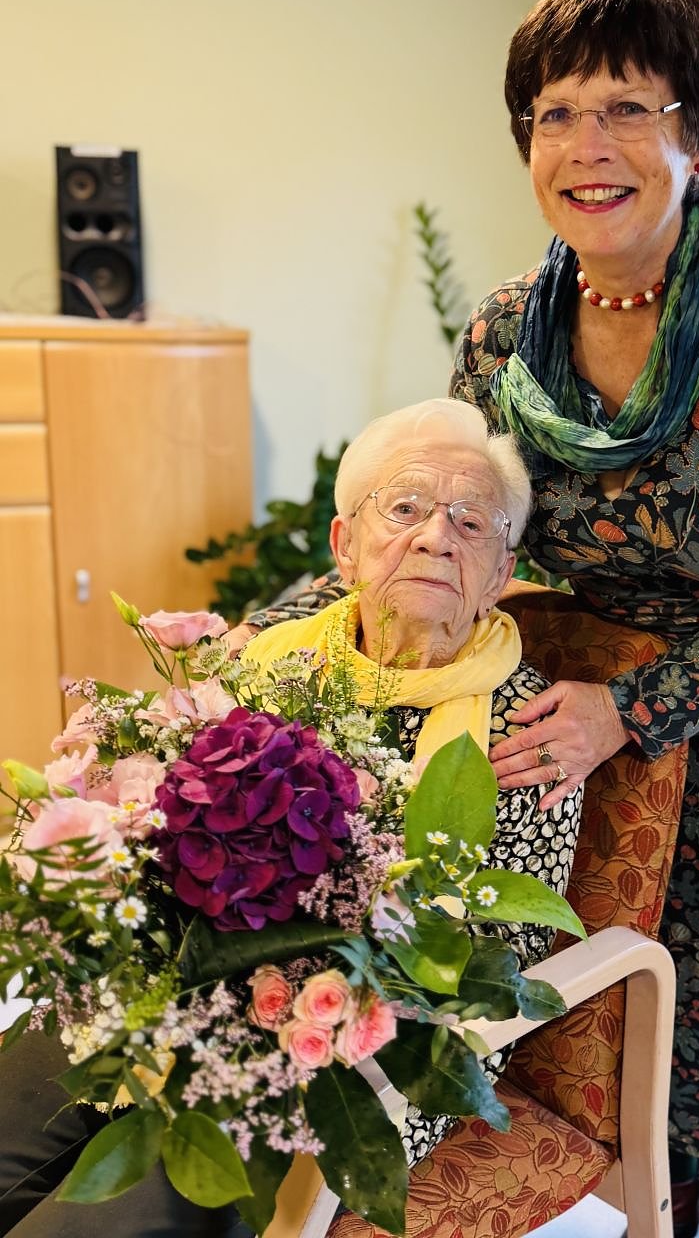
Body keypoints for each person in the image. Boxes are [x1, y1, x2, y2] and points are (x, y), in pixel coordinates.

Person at [242, 0, 699, 1238]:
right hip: (605, 670)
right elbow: (456, 522)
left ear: (697, 133)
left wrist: (634, 706)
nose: (585, 145)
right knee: (640, 977)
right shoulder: (507, 328)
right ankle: (666, 1168)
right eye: (553, 113)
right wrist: (273, 634)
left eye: (626, 108)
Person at [0, 399, 582, 1238]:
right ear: (344, 546)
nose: (435, 538)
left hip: (342, 1043)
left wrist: (307, 989)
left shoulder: (533, 729)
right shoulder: (271, 662)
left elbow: (503, 951)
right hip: (171, 980)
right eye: (405, 508)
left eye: (471, 523)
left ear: (499, 573)